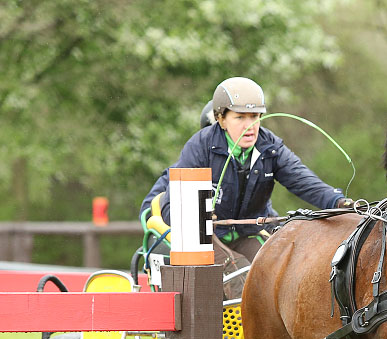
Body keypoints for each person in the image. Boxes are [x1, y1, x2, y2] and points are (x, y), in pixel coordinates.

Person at [139, 77, 353, 297]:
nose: (249, 125)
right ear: (221, 119)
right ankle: (238, 330)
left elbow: (304, 181)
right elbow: (173, 204)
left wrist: (338, 202)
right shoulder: (200, 146)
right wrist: (200, 219)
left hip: (246, 234)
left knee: (277, 271)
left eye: (254, 116)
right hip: (204, 237)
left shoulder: (271, 147)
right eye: (239, 117)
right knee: (242, 274)